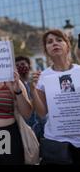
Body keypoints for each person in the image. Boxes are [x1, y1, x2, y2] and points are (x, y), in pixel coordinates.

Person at [31, 29, 80, 164]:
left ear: (67, 45)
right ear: (46, 50)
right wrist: (32, 89)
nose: (54, 44)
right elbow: (41, 113)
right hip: (56, 142)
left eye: (59, 40)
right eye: (49, 42)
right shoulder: (42, 77)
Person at [15, 55, 46, 140]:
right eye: (17, 65)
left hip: (40, 124)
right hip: (25, 126)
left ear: (29, 65)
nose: (20, 67)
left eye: (22, 64)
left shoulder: (37, 81)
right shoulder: (16, 86)